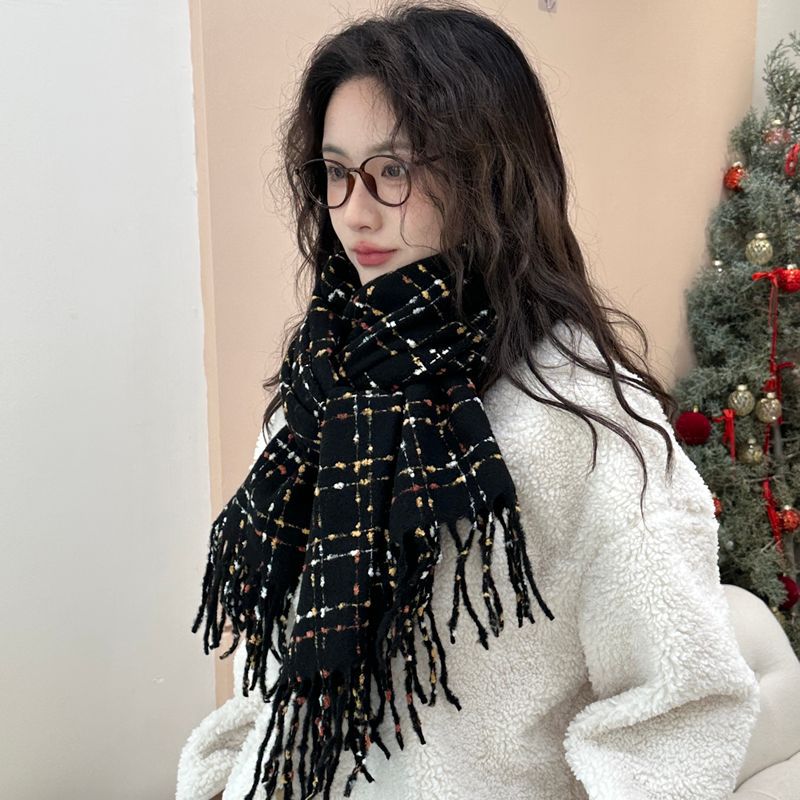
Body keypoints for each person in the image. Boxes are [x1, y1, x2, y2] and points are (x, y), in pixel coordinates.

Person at [176, 2, 761, 799]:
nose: (355, 210)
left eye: (393, 170)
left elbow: (682, 713)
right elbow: (272, 676)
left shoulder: (581, 420)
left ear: (486, 172)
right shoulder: (316, 391)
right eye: (337, 172)